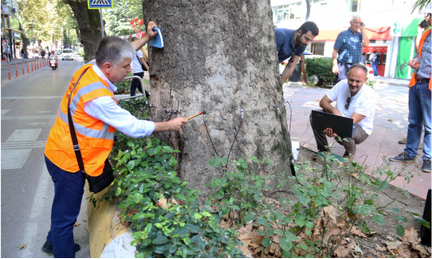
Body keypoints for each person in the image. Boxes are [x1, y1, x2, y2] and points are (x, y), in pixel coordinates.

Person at [41, 21, 189, 257]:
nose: (130, 70)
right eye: (126, 66)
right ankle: (60, 250)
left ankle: (52, 241)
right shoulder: (97, 98)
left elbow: (122, 50)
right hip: (68, 161)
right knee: (65, 216)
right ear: (108, 67)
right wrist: (169, 125)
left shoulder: (90, 68)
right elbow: (132, 126)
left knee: (62, 206)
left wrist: (146, 38)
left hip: (60, 149)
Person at [389, 6, 431, 173]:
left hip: (429, 86)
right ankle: (410, 153)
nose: (428, 18)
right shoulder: (426, 34)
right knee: (414, 122)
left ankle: (428, 158)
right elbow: (420, 55)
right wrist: (415, 60)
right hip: (417, 82)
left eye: (429, 15)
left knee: (429, 126)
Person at [311, 64, 376, 160]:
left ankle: (349, 153)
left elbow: (350, 122)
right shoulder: (342, 84)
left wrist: (333, 128)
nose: (353, 84)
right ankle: (323, 149)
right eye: (351, 80)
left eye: (358, 81)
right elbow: (323, 101)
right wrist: (334, 110)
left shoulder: (370, 95)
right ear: (347, 75)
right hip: (340, 119)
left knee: (347, 131)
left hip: (360, 128)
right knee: (316, 116)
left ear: (365, 80)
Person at [332, 15, 369, 82]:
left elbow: (365, 44)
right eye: (355, 22)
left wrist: (363, 29)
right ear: (350, 22)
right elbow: (335, 50)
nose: (357, 25)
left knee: (353, 88)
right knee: (342, 87)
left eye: (359, 23)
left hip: (356, 65)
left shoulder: (360, 35)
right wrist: (334, 65)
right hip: (344, 65)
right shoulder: (343, 34)